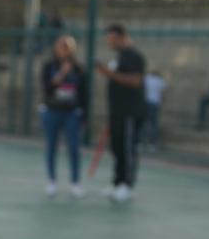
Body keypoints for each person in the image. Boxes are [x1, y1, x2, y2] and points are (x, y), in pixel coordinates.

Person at [96, 23, 146, 204]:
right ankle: (117, 183)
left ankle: (127, 185)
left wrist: (108, 73)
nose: (110, 43)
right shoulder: (120, 57)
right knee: (117, 147)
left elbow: (135, 81)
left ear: (121, 37)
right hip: (116, 112)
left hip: (129, 112)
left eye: (112, 40)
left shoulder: (134, 56)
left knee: (127, 148)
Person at [40, 35, 89, 198]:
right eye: (62, 46)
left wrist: (84, 115)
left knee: (74, 148)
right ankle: (51, 181)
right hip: (52, 111)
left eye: (67, 47)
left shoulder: (79, 69)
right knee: (51, 146)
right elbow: (46, 88)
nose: (64, 50)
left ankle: (75, 182)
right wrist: (61, 73)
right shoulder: (49, 66)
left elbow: (84, 93)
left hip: (71, 113)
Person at [143, 69, 167, 151]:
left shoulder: (147, 79)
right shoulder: (160, 81)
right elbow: (163, 93)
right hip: (155, 103)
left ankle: (141, 142)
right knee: (153, 124)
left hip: (146, 103)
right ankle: (152, 143)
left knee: (144, 123)